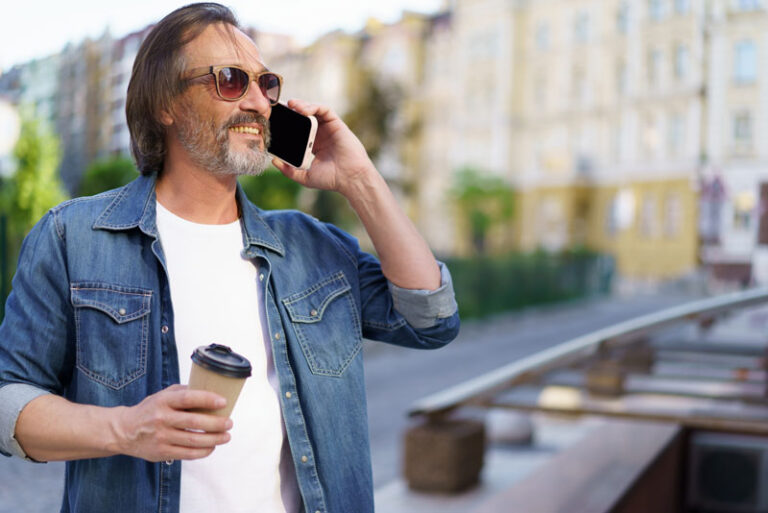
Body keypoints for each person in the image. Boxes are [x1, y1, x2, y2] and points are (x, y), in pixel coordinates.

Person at [0, 3, 459, 513]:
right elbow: (8, 403)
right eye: (230, 80)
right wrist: (124, 429)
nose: (260, 103)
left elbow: (431, 320)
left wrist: (360, 180)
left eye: (267, 84)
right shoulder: (73, 237)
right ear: (165, 104)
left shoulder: (310, 247)